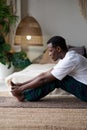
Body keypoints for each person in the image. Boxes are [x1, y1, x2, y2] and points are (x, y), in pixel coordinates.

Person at [11, 36, 87, 102]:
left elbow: (44, 79)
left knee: (56, 79)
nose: (49, 54)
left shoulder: (70, 59)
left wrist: (21, 89)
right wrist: (22, 84)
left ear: (58, 49)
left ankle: (23, 96)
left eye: (50, 50)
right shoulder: (67, 57)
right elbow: (45, 74)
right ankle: (23, 94)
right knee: (52, 76)